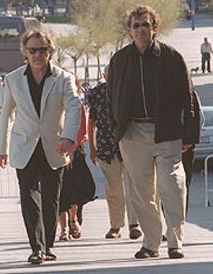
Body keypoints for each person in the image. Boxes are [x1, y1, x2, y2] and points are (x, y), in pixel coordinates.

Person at [107, 5, 200, 259]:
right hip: (133, 133)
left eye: (145, 25)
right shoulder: (120, 60)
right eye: (136, 25)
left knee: (172, 186)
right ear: (129, 30)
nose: (140, 30)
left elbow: (188, 97)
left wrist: (190, 136)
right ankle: (150, 242)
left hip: (167, 132)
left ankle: (175, 241)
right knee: (141, 192)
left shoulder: (171, 58)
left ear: (154, 28)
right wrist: (117, 131)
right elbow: (110, 98)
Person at [0, 30, 81, 264]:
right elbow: (5, 115)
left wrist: (68, 137)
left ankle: (48, 245)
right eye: (32, 50)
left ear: (50, 52)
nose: (37, 55)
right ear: (25, 52)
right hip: (24, 146)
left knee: (51, 200)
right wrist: (1, 148)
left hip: (55, 145)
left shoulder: (64, 78)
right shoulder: (13, 79)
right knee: (29, 197)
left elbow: (74, 108)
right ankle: (36, 247)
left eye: (42, 50)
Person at [88, 66, 142, 240]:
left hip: (130, 143)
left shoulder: (130, 90)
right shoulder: (96, 93)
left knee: (133, 185)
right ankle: (116, 226)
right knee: (113, 188)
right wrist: (92, 148)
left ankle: (135, 224)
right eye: (109, 74)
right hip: (106, 146)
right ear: (104, 75)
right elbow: (92, 122)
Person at [58, 80, 96, 241]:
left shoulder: (77, 105)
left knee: (74, 189)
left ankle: (73, 220)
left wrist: (72, 148)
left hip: (75, 151)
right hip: (56, 150)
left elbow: (81, 128)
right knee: (60, 191)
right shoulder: (55, 101)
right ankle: (63, 228)